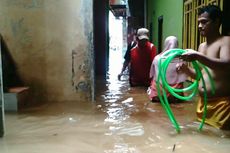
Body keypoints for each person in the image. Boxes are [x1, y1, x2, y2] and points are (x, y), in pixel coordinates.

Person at [178, 5, 230, 130]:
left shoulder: (226, 41)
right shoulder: (202, 46)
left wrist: (198, 56)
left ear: (217, 21)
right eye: (199, 23)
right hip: (203, 104)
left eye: (204, 22)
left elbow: (226, 64)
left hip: (222, 105)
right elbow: (200, 75)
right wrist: (186, 70)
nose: (200, 26)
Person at [148, 36, 187, 102]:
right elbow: (184, 77)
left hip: (159, 94)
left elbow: (151, 75)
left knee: (154, 80)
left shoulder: (157, 58)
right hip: (175, 94)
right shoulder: (182, 59)